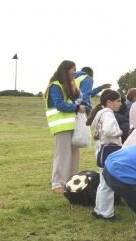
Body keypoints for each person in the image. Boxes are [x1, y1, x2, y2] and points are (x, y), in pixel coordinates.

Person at [44, 60, 86, 193]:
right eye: (73, 69)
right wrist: (77, 107)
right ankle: (58, 184)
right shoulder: (55, 86)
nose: (75, 72)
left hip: (73, 125)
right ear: (65, 70)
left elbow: (76, 100)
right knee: (63, 155)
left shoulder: (70, 85)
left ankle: (72, 182)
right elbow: (59, 104)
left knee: (74, 154)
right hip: (61, 127)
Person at [87, 89, 124, 221]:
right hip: (109, 150)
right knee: (108, 184)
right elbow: (108, 131)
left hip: (101, 150)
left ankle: (99, 210)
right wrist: (119, 132)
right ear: (109, 102)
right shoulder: (108, 114)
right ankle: (107, 214)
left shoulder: (101, 113)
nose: (120, 103)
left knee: (103, 183)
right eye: (118, 101)